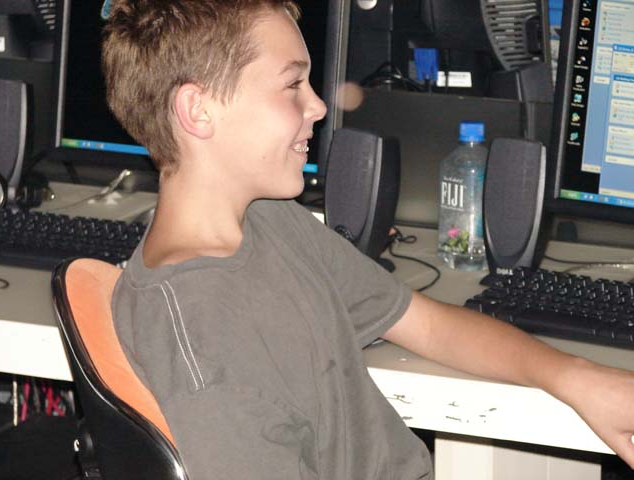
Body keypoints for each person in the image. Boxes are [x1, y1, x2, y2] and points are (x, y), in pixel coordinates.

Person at [103, 1, 634, 478]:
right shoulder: (202, 337)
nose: (318, 106)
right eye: (292, 85)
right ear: (198, 111)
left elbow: (426, 324)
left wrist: (575, 376)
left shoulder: (267, 221)